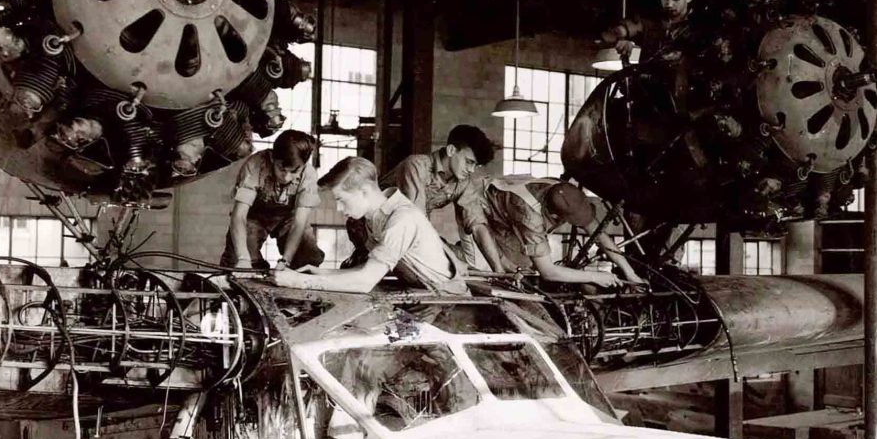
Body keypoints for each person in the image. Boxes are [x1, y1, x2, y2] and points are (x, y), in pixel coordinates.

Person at [273, 157, 467, 295]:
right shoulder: (375, 218)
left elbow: (365, 281)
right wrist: (321, 272)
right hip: (422, 294)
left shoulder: (402, 219)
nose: (340, 209)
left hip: (447, 302)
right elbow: (367, 269)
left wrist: (299, 282)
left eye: (341, 199)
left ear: (364, 191)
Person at [343, 124, 495, 267]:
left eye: (476, 165)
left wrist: (499, 271)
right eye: (469, 162)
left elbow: (478, 226)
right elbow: (418, 223)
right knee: (436, 264)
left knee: (458, 259)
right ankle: (358, 260)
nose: (472, 170)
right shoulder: (415, 166)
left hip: (405, 229)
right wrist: (451, 260)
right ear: (451, 151)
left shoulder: (463, 182)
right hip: (367, 226)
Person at [456, 175, 647, 287]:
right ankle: (456, 257)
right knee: (488, 272)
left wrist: (629, 272)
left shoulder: (563, 191)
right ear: (554, 215)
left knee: (521, 268)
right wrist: (597, 278)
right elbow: (548, 272)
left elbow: (598, 233)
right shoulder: (530, 215)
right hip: (479, 204)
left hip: (506, 212)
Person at [220, 129, 325, 271]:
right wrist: (243, 258)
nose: (286, 177)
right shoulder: (255, 164)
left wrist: (285, 261)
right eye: (281, 169)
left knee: (308, 257)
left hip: (289, 220)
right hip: (253, 217)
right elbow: (239, 216)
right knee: (236, 263)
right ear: (272, 158)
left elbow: (299, 223)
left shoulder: (309, 175)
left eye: (294, 171)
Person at [601, 0, 696, 67]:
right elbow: (640, 62)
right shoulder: (651, 22)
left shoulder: (698, 28)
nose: (669, 4)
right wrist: (631, 50)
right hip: (652, 81)